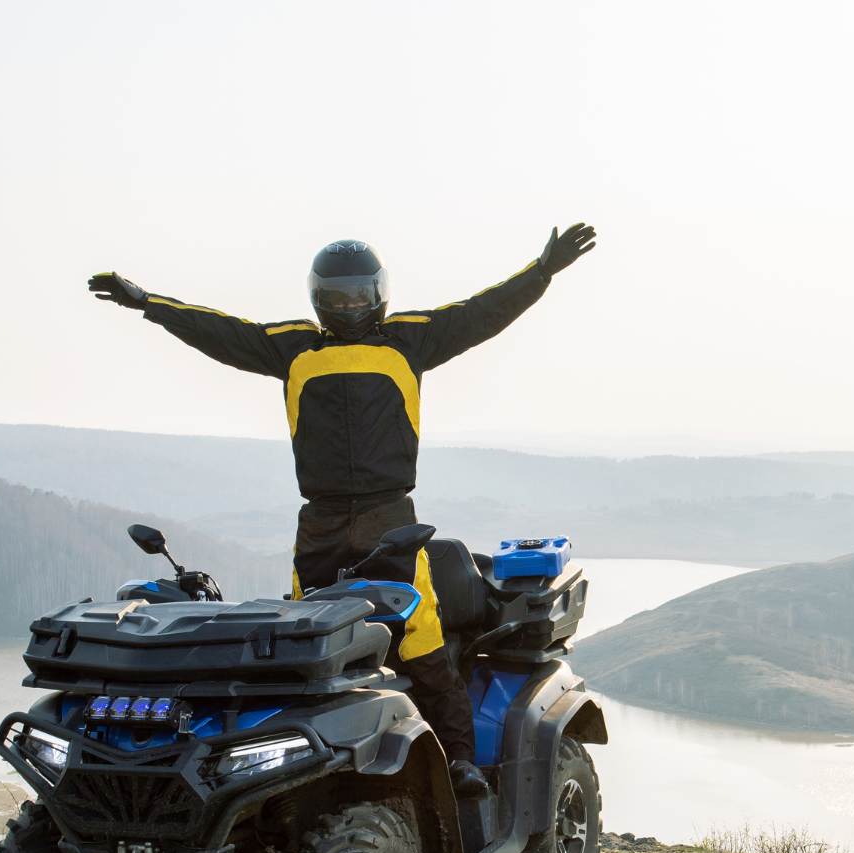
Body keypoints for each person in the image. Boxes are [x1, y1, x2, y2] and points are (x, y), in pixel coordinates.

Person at [88, 223, 597, 801]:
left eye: (357, 294)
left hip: (391, 519)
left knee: (419, 638)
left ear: (378, 293)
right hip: (322, 522)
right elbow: (221, 332)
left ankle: (458, 761)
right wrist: (151, 305)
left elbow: (481, 312)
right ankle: (307, 771)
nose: (348, 305)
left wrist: (541, 271)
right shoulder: (294, 346)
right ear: (318, 299)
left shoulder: (412, 338)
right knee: (309, 646)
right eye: (336, 296)